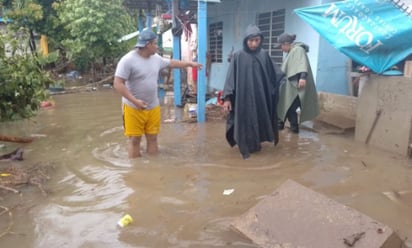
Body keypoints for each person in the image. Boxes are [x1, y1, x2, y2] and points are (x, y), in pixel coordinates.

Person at [114, 28, 202, 158]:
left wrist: (189, 63)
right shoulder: (127, 60)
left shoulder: (155, 58)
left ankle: (153, 167)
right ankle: (136, 171)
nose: (157, 46)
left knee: (153, 138)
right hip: (133, 107)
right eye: (155, 43)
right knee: (135, 140)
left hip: (153, 106)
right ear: (148, 45)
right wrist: (135, 101)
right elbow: (118, 84)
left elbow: (171, 63)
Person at [222, 24, 284, 159]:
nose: (254, 44)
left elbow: (275, 74)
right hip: (242, 97)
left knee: (260, 118)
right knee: (244, 120)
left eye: (257, 40)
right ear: (245, 40)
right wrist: (227, 98)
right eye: (251, 40)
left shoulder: (264, 55)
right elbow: (230, 77)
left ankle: (257, 144)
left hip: (260, 96)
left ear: (261, 40)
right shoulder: (238, 56)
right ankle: (246, 145)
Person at [276, 33, 319, 133]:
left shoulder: (298, 49)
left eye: (281, 46)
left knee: (290, 106)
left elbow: (302, 64)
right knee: (286, 105)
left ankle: (293, 129)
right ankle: (284, 126)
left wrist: (302, 78)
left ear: (286, 44)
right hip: (292, 86)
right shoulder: (292, 51)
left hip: (297, 87)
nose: (281, 49)